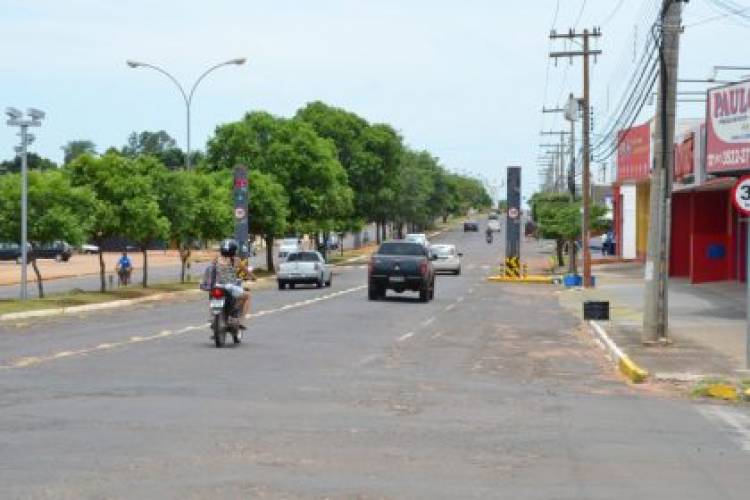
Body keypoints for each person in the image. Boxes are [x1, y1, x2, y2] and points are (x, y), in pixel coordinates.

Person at [202, 239, 256, 328]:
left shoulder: (216, 259)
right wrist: (254, 277)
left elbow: (211, 270)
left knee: (212, 298)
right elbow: (247, 272)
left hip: (217, 285)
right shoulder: (236, 260)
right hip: (231, 287)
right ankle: (239, 319)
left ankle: (212, 316)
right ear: (234, 250)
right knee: (247, 296)